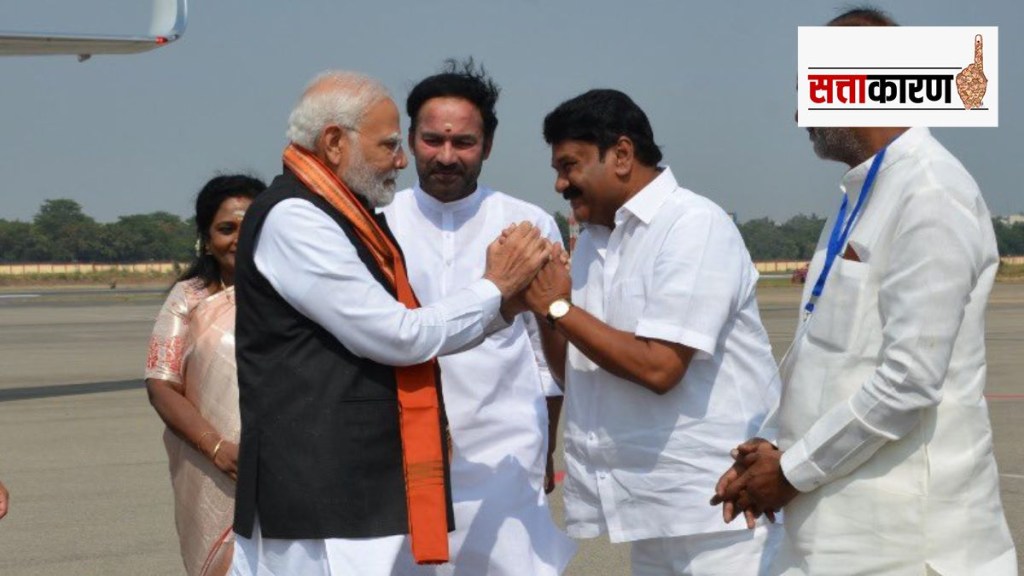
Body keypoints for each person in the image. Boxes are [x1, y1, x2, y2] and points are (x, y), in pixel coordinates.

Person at [712, 8, 1018, 575]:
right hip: (835, 533)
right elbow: (829, 358)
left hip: (905, 546)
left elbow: (908, 380)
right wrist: (772, 448)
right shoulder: (861, 197)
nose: (800, 111)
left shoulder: (931, 192)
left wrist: (790, 471)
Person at [230, 70, 551, 576]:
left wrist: (504, 308)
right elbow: (399, 335)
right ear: (334, 143)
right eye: (389, 145)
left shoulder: (343, 215)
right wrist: (495, 287)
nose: (400, 160)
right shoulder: (297, 218)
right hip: (321, 491)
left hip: (376, 483)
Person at [525, 88, 781, 575]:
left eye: (570, 166)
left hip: (721, 512)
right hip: (649, 514)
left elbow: (661, 367)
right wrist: (543, 307)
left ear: (622, 155)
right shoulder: (593, 244)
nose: (560, 184)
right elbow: (572, 372)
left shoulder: (692, 224)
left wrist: (558, 307)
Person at [382, 59, 576, 576]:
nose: (446, 156)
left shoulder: (528, 224)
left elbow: (544, 356)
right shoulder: (377, 223)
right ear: (410, 140)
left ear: (487, 146)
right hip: (400, 456)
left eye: (463, 143)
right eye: (432, 140)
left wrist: (545, 444)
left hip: (504, 453)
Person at [145, 174, 267, 576]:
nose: (238, 239)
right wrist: (215, 448)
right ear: (206, 239)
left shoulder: (293, 292)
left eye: (250, 225)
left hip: (283, 464)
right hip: (209, 464)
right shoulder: (190, 298)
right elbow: (161, 384)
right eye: (226, 229)